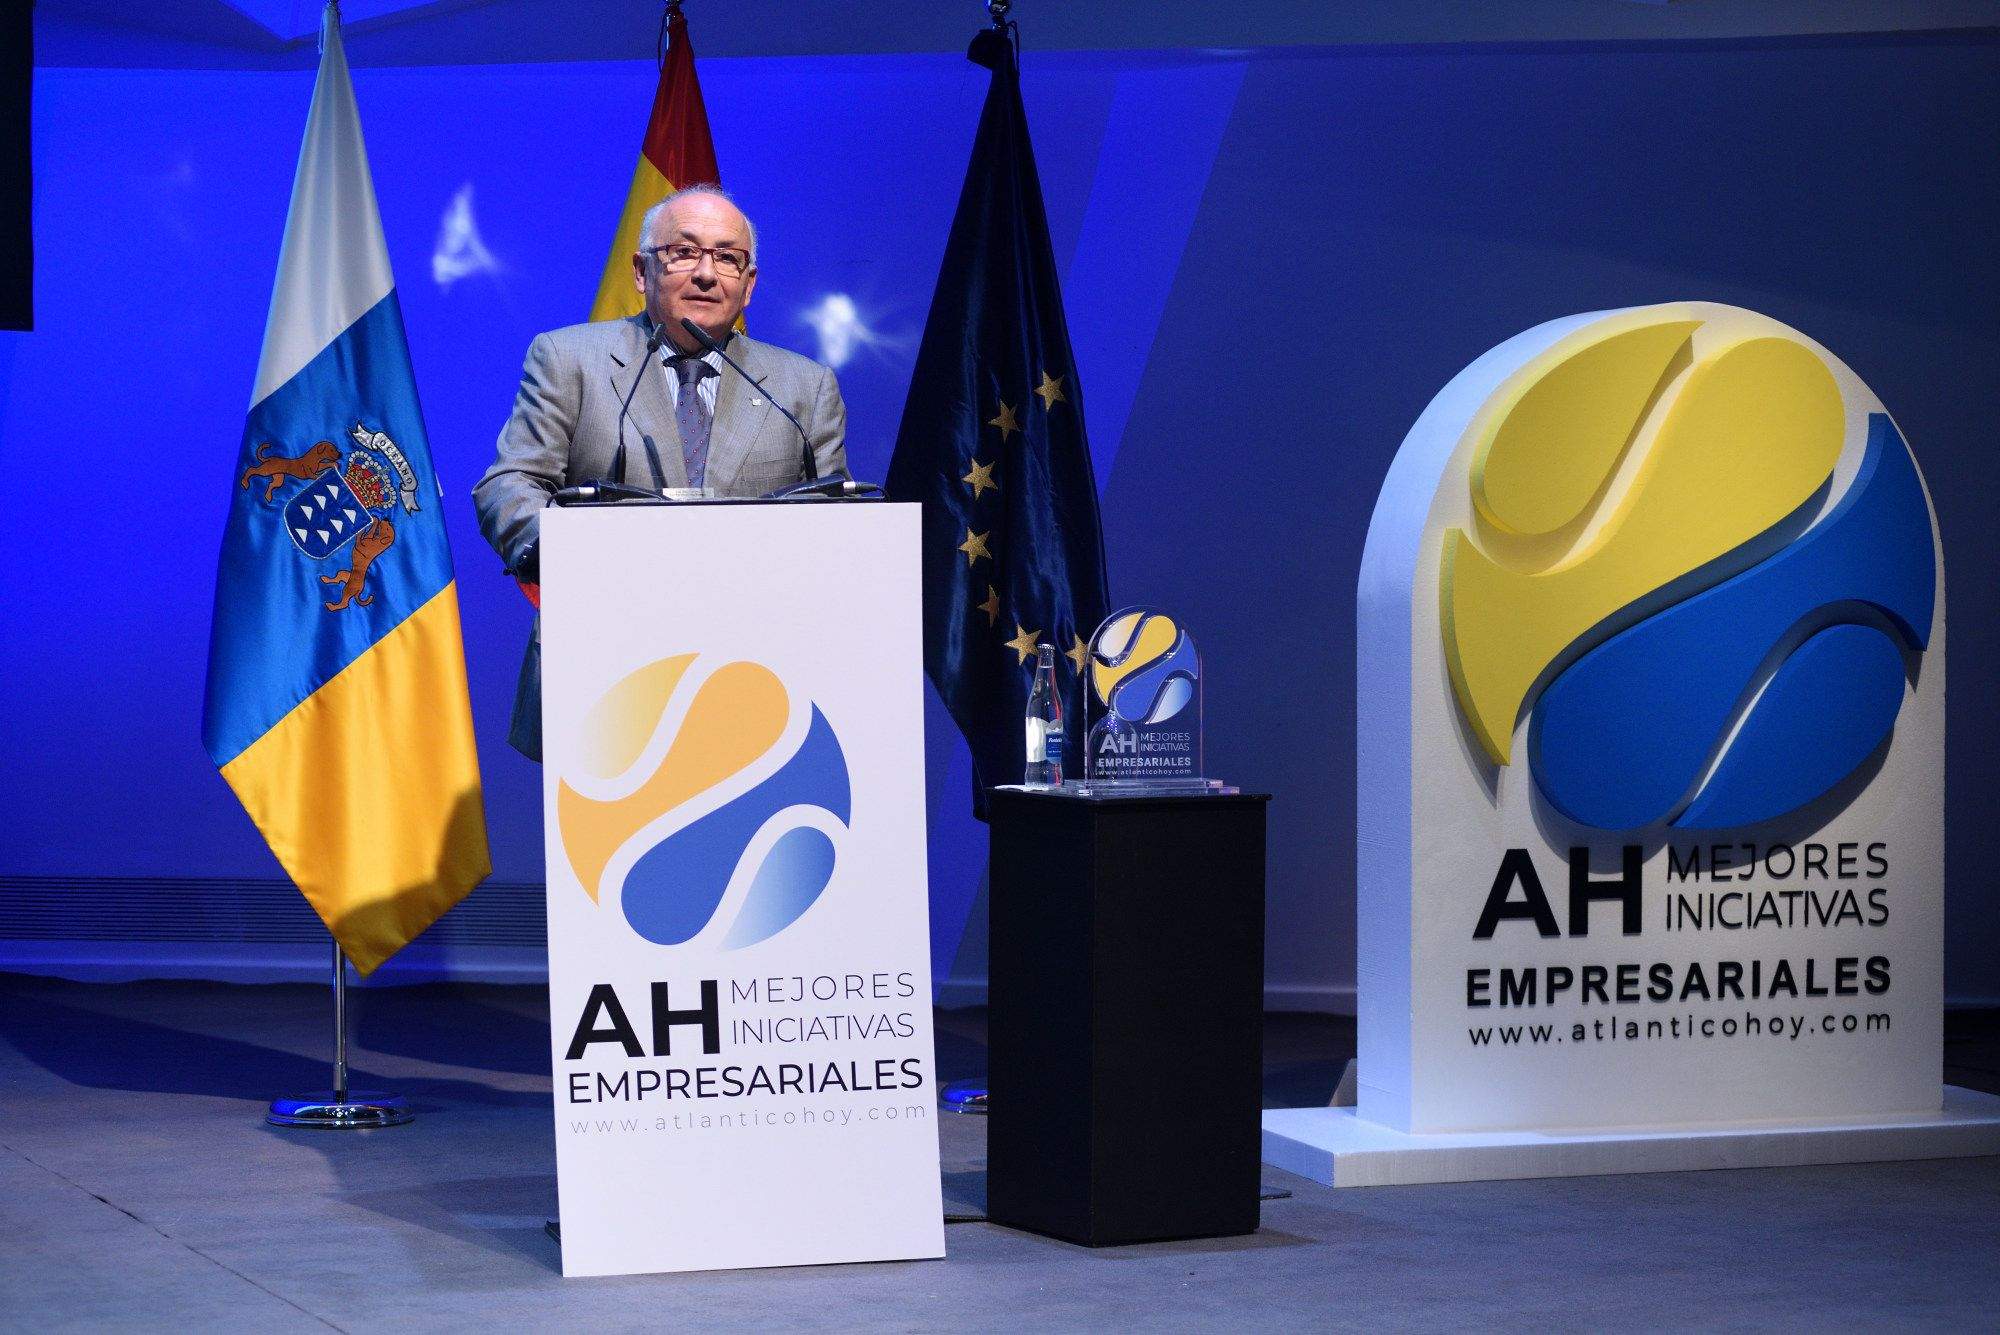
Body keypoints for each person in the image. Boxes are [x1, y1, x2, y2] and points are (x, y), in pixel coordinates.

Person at [473, 185, 847, 760]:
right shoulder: (570, 359)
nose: (706, 273)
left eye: (727, 258)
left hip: (761, 681)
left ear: (749, 285)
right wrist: (585, 554)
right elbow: (509, 485)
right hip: (602, 672)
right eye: (684, 251)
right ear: (642, 271)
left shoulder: (802, 388)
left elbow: (836, 521)